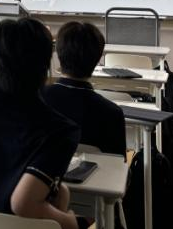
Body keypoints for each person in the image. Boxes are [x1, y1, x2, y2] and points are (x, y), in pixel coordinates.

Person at [0, 18, 85, 229]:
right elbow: (22, 203)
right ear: (46, 63)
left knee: (61, 192)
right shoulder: (61, 130)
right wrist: (69, 222)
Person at [43, 21, 126, 157]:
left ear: (58, 54)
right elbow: (118, 165)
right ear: (98, 59)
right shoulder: (112, 113)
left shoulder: (36, 100)